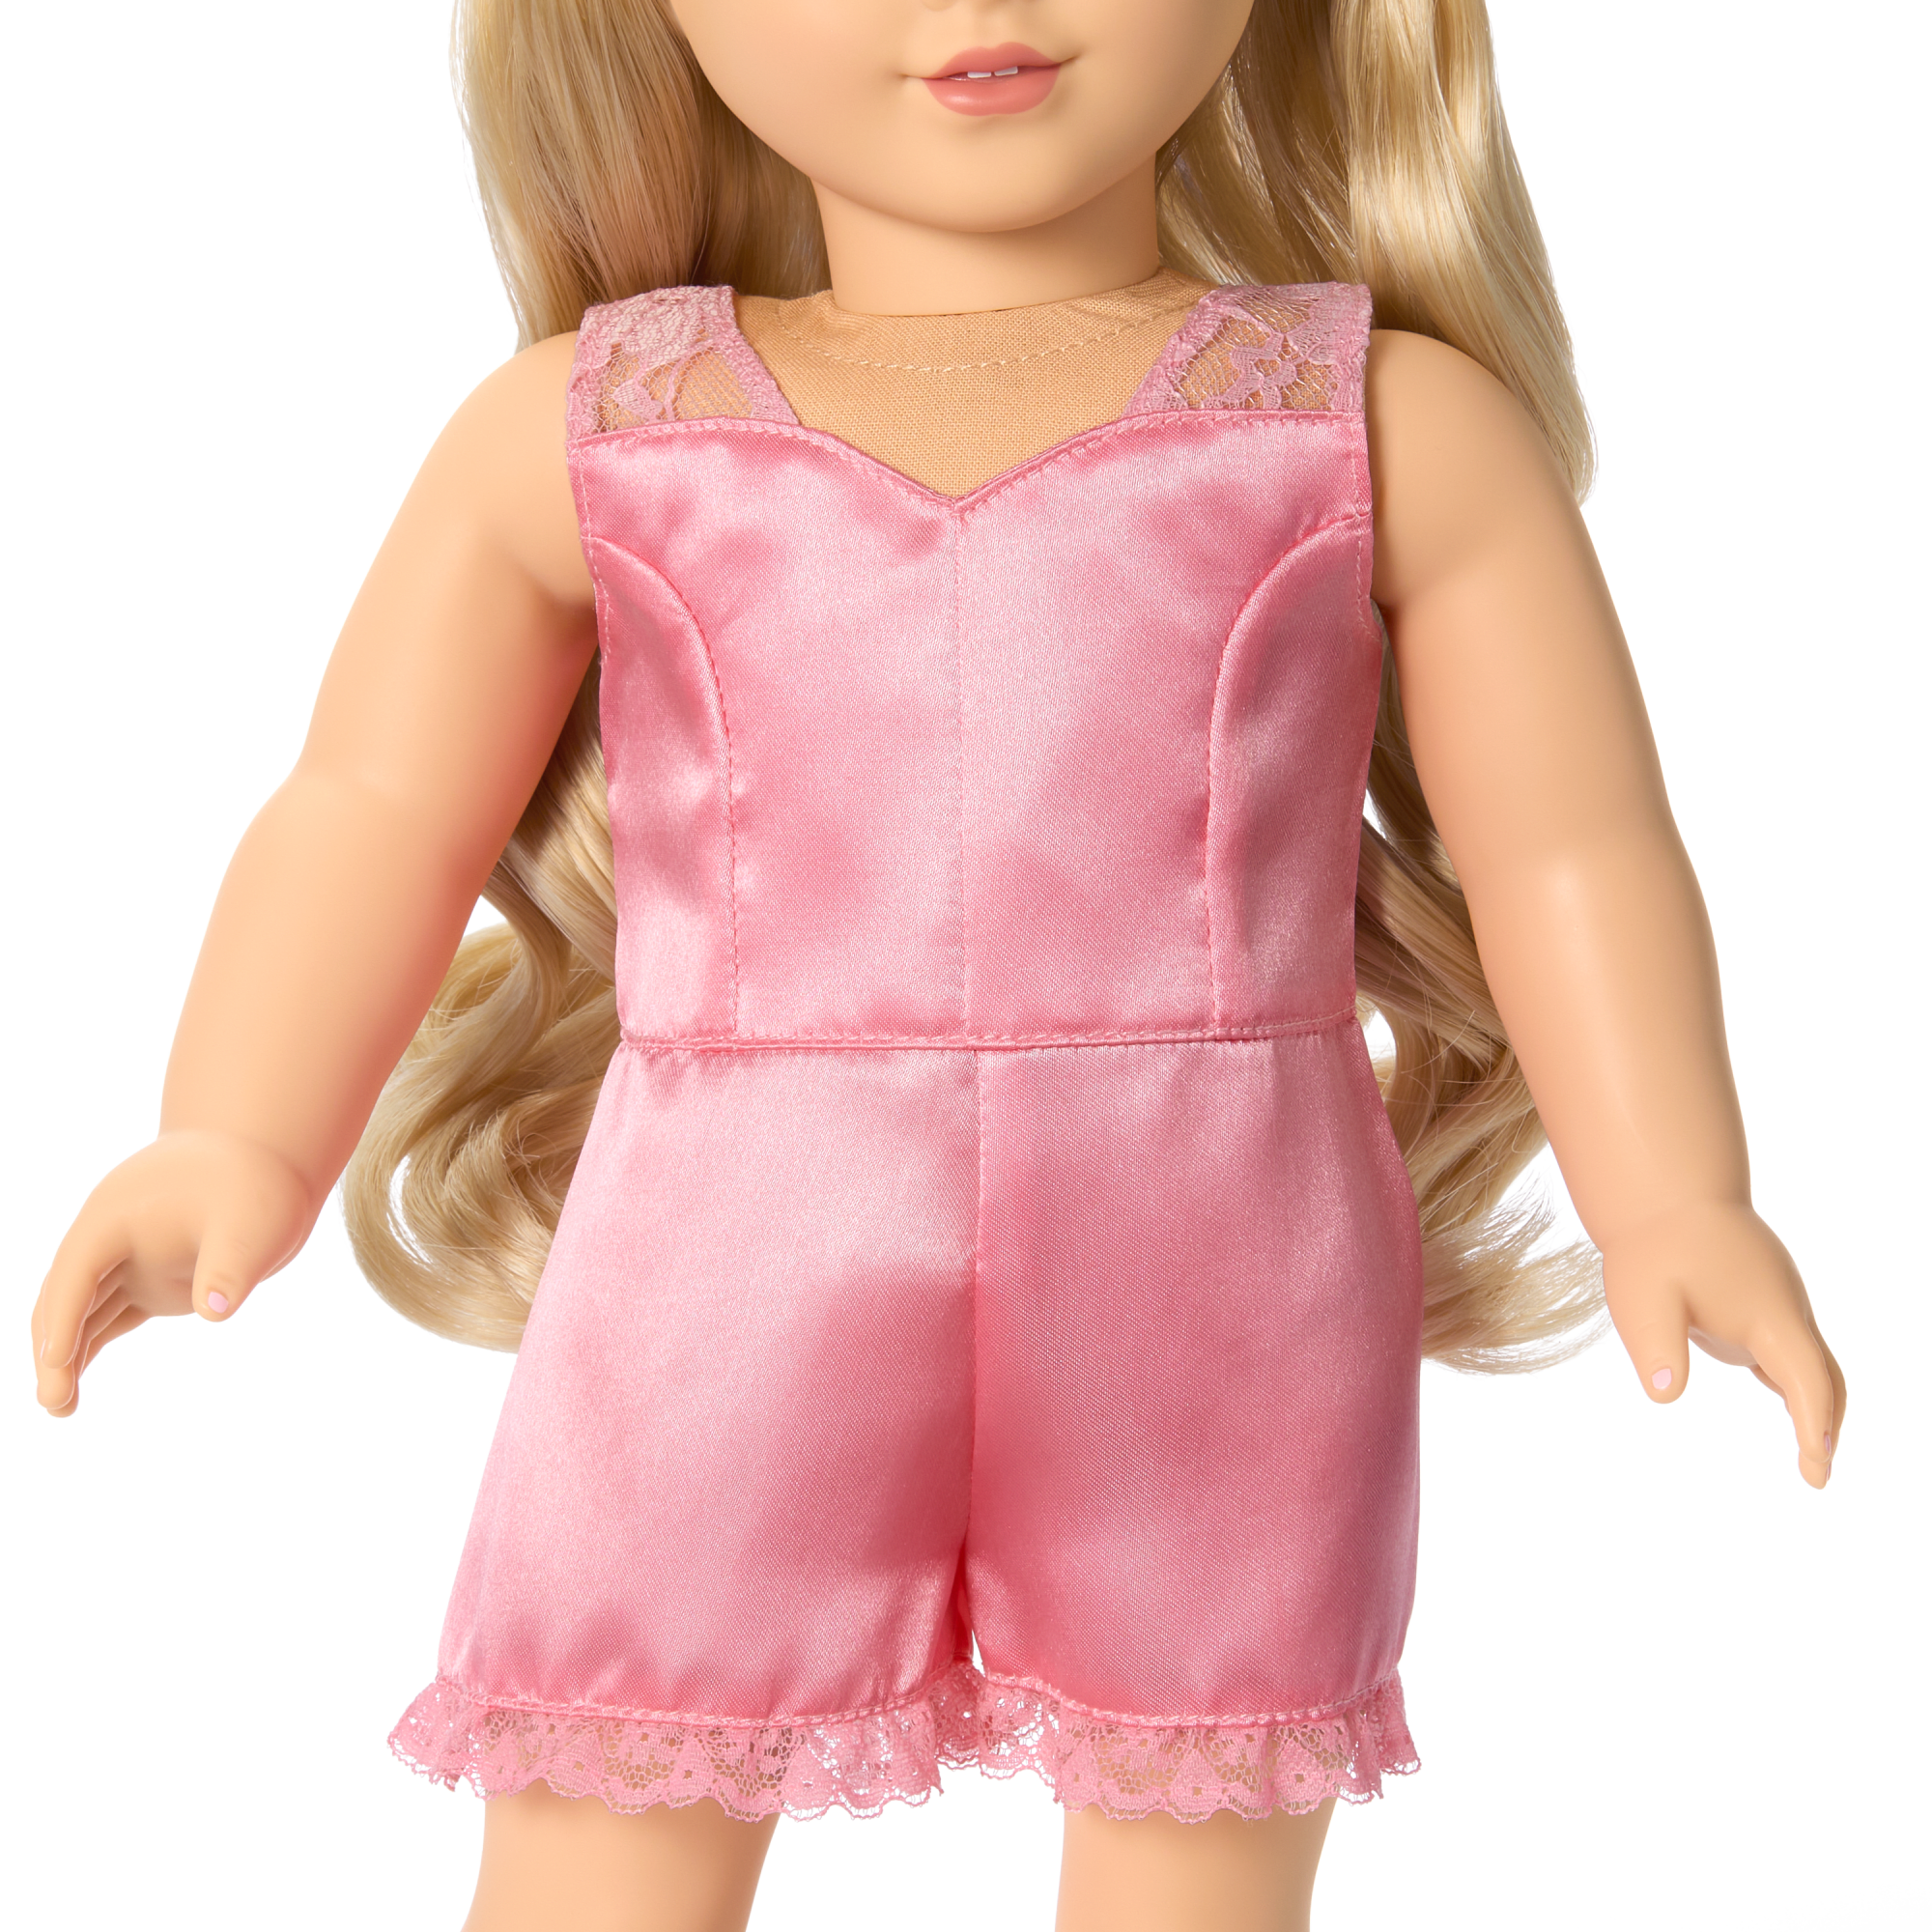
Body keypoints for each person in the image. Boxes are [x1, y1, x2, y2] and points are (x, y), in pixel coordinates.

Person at [30, 4, 1848, 1928]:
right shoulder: (596, 426)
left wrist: (1675, 1192)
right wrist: (233, 1135)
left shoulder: (1369, 418)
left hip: (1207, 1247)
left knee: (1198, 1870)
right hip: (736, 1251)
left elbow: (1573, 845)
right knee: (603, 1836)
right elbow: (371, 813)